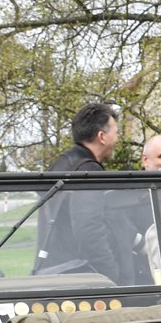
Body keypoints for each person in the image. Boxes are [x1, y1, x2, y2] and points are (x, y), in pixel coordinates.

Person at [38, 101, 124, 277]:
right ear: (102, 137)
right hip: (78, 275)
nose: (117, 139)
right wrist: (111, 274)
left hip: (51, 271)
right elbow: (89, 229)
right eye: (116, 133)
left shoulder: (61, 164)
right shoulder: (88, 171)